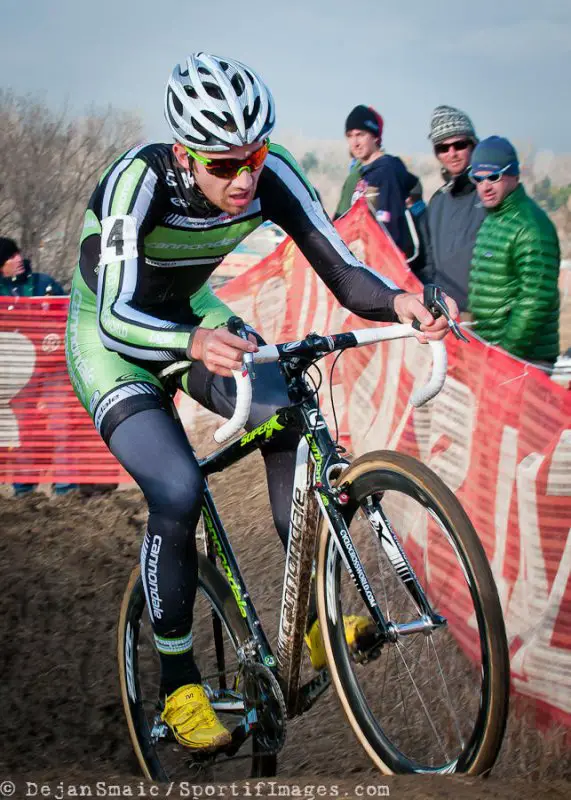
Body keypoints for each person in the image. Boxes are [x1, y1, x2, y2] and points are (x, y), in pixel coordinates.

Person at [65, 52, 458, 751]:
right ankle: (178, 685)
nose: (244, 178)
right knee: (178, 490)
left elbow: (342, 270)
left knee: (288, 416)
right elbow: (114, 313)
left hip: (191, 316)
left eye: (253, 156)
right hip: (115, 343)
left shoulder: (269, 173)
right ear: (185, 154)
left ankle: (310, 624)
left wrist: (402, 299)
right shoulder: (137, 181)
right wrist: (191, 342)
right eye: (222, 165)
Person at [468, 136, 560, 364]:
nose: (485, 186)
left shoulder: (531, 226)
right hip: (494, 353)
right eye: (478, 179)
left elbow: (536, 298)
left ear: (514, 176)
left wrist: (507, 351)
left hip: (523, 359)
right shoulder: (495, 218)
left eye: (493, 177)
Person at [0, 237, 75, 496]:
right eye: (10, 257)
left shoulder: (44, 284)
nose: (17, 259)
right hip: (18, 375)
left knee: (62, 424)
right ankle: (23, 489)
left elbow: (70, 313)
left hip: (54, 370)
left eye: (17, 253)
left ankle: (67, 487)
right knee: (23, 430)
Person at [424, 105, 485, 312]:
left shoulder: (490, 193)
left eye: (459, 145)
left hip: (486, 315)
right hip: (447, 315)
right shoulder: (437, 201)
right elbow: (429, 262)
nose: (452, 153)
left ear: (473, 145)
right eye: (443, 148)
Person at [333, 105, 418, 253]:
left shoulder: (386, 171)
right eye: (350, 136)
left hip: (385, 263)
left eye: (360, 134)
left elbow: (390, 227)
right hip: (366, 258)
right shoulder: (364, 174)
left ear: (375, 136)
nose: (355, 143)